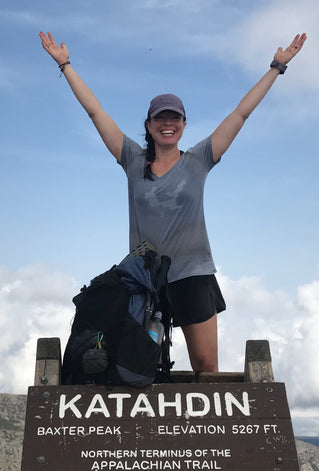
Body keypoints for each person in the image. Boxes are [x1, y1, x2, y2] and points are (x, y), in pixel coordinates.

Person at [39, 31, 307, 373]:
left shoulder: (199, 160)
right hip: (145, 281)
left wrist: (276, 67)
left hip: (193, 275)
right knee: (137, 366)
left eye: (175, 118)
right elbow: (95, 112)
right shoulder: (133, 161)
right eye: (160, 119)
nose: (168, 124)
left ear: (183, 125)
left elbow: (241, 114)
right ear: (149, 126)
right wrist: (65, 65)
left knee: (206, 368)